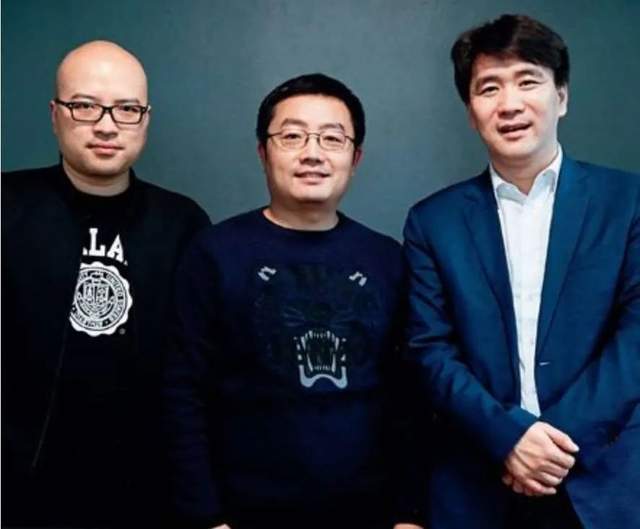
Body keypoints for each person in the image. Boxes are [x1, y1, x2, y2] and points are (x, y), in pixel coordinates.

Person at [403, 14, 639, 529]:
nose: (509, 104)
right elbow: (430, 349)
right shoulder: (433, 221)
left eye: (528, 81)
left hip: (606, 480)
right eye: (488, 88)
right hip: (478, 483)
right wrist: (509, 437)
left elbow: (636, 337)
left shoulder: (628, 202)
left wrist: (547, 444)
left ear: (562, 96)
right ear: (471, 112)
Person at [165, 73, 425, 529]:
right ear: (263, 152)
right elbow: (182, 392)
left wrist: (411, 513)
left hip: (369, 510)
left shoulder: (387, 259)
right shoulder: (214, 253)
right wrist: (206, 517)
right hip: (243, 511)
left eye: (332, 138)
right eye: (292, 136)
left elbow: (410, 397)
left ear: (355, 158)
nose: (312, 153)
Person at [2, 40, 209, 528]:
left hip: (151, 493)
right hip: (22, 494)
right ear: (55, 115)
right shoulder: (7, 206)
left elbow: (200, 373)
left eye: (127, 109)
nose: (107, 125)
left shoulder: (183, 224)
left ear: (146, 119)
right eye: (85, 106)